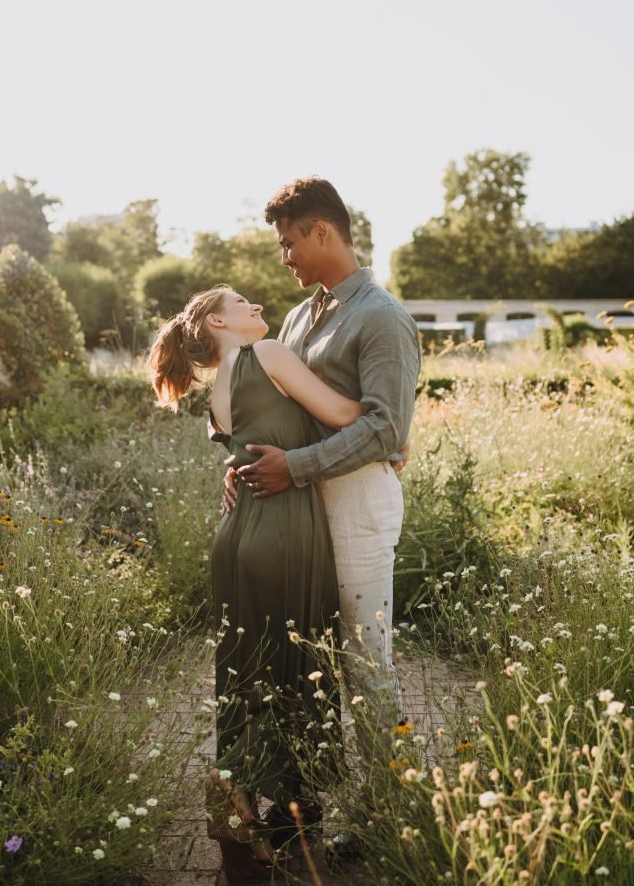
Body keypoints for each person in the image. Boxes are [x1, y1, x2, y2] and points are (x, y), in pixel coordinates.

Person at [146, 285, 362, 882]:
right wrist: (394, 430)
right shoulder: (267, 357)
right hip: (284, 528)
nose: (257, 306)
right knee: (297, 667)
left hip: (237, 533)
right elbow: (345, 415)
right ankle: (290, 813)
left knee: (247, 669)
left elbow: (240, 451)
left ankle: (237, 798)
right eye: (242, 302)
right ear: (219, 320)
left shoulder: (218, 388)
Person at [229, 178, 421, 837]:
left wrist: (297, 467)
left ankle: (393, 819)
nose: (283, 258)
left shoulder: (381, 316)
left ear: (321, 232)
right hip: (301, 509)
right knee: (310, 660)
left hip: (357, 505)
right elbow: (284, 411)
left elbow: (385, 430)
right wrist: (244, 469)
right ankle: (316, 804)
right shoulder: (297, 317)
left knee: (366, 664)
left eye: (288, 244)